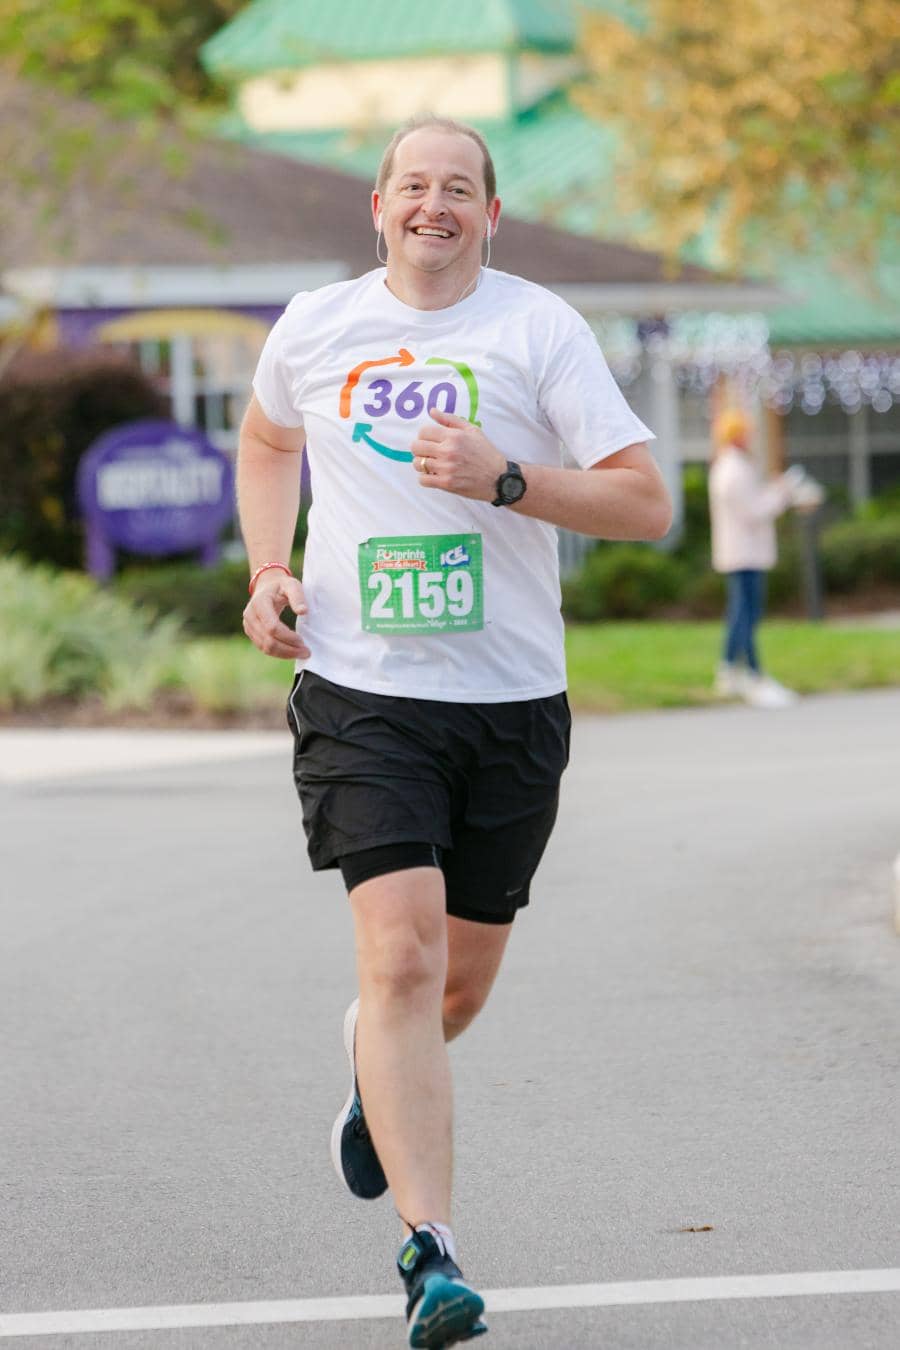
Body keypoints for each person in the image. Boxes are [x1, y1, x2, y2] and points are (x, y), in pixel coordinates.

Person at [238, 114, 671, 1348]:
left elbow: (645, 501)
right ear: (376, 206)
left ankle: (372, 1067)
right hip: (363, 694)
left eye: (461, 188)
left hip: (510, 705)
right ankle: (432, 1256)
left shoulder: (539, 331)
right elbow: (268, 439)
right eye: (413, 184)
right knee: (405, 958)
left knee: (455, 991)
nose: (435, 204)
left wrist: (508, 480)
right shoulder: (316, 328)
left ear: (491, 215)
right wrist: (268, 568)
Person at [708, 407, 823, 709]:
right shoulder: (733, 470)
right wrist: (783, 492)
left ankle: (729, 669)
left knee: (739, 612)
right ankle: (754, 674)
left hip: (743, 552)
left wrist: (774, 490)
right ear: (736, 436)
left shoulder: (734, 466)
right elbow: (755, 511)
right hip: (744, 553)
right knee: (746, 614)